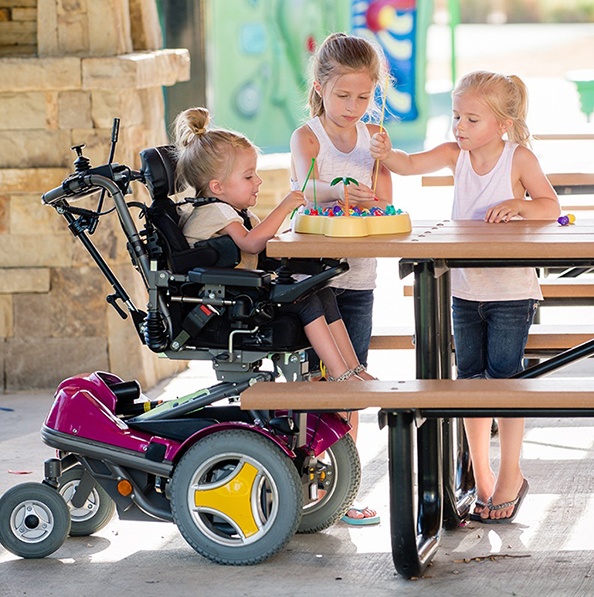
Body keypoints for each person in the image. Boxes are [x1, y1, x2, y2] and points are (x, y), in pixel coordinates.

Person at [370, 70, 560, 523]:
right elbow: (409, 164)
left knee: (505, 381)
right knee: (470, 380)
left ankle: (511, 475)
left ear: (502, 125)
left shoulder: (519, 158)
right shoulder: (456, 154)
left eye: (471, 119)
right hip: (464, 289)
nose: (460, 127)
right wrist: (384, 152)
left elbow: (551, 207)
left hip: (511, 292)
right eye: (457, 116)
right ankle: (482, 476)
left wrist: (520, 206)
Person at [172, 106, 367, 383]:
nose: (258, 181)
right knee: (307, 300)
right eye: (248, 176)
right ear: (217, 186)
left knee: (323, 293)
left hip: (243, 294)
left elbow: (264, 239)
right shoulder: (215, 211)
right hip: (228, 303)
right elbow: (251, 244)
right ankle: (339, 373)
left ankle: (353, 369)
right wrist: (284, 206)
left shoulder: (232, 211)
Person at [290, 32, 392, 525]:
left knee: (353, 378)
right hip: (315, 282)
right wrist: (342, 191)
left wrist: (384, 161)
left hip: (361, 277)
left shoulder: (370, 135)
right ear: (320, 88)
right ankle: (305, 483)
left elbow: (384, 192)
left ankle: (344, 490)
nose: (354, 107)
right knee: (315, 383)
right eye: (343, 95)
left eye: (364, 97)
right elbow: (305, 192)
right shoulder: (308, 136)